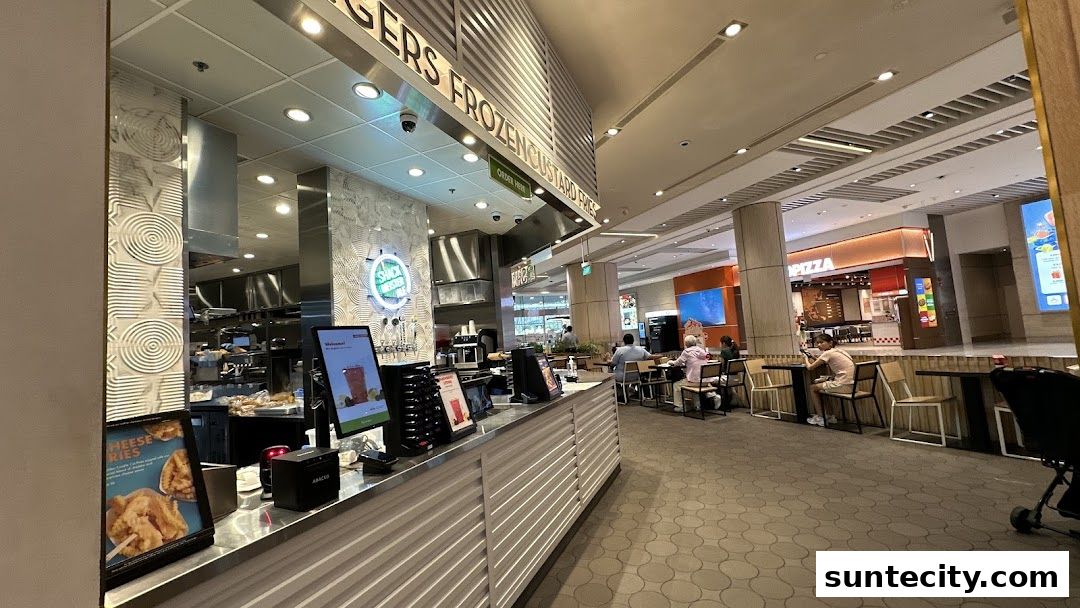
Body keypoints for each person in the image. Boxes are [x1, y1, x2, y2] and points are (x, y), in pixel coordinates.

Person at [804, 334, 855, 426]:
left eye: (821, 342)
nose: (819, 345)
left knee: (813, 388)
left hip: (843, 386)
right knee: (822, 387)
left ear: (830, 343)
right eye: (817, 343)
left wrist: (805, 359)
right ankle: (830, 416)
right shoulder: (840, 351)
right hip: (853, 386)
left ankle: (820, 418)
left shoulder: (827, 353)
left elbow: (810, 367)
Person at [670, 335, 716, 412]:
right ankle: (699, 405)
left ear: (686, 344)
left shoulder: (686, 352)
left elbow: (677, 363)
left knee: (677, 385)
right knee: (694, 383)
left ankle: (680, 406)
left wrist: (671, 362)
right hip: (706, 381)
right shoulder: (701, 350)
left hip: (695, 381)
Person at [611, 334, 651, 401]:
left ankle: (620, 395)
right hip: (637, 376)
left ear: (624, 341)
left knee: (611, 376)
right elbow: (649, 356)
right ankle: (628, 392)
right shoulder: (640, 349)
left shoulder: (620, 350)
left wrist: (607, 360)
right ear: (633, 340)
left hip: (622, 377)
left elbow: (613, 363)